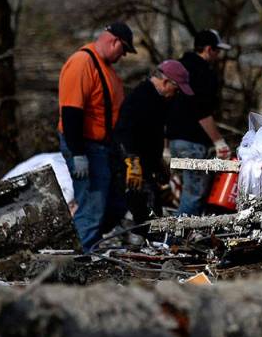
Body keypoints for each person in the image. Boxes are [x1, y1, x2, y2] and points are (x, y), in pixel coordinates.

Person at [58, 21, 136, 252]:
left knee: (113, 204)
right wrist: (78, 153)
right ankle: (81, 258)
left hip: (102, 147)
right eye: (123, 50)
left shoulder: (105, 68)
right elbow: (71, 112)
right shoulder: (82, 63)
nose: (122, 57)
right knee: (92, 205)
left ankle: (84, 248)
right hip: (85, 146)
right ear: (115, 42)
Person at [115, 60, 193, 226]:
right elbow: (123, 131)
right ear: (166, 82)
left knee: (152, 208)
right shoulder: (140, 97)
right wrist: (132, 161)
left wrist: (158, 164)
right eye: (176, 89)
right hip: (131, 166)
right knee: (143, 212)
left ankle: (147, 244)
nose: (177, 93)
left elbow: (152, 136)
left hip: (147, 164)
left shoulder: (159, 100)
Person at [167, 29, 233, 216]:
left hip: (173, 140)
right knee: (194, 194)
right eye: (216, 51)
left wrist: (165, 143)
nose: (218, 55)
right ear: (208, 49)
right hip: (192, 142)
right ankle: (174, 241)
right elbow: (201, 110)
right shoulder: (204, 73)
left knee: (181, 193)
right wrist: (218, 141)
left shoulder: (176, 68)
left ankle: (178, 236)